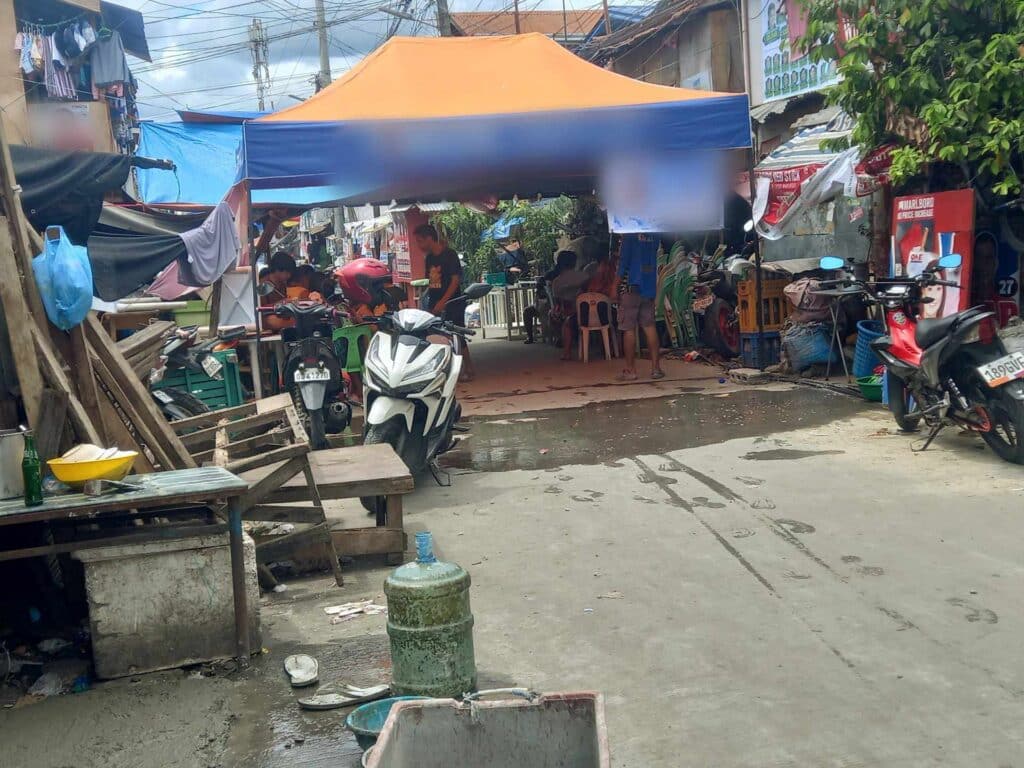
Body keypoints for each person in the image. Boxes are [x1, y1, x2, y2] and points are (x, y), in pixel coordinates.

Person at [413, 223, 475, 380]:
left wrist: (443, 301)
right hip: (434, 303)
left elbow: (455, 281)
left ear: (429, 238)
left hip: (453, 302)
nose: (418, 245)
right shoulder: (429, 258)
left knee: (457, 335)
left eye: (420, 241)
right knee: (436, 335)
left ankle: (467, 368)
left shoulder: (450, 255)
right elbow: (431, 282)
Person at [616, 234, 664, 380]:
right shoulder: (654, 235)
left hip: (632, 288)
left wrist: (614, 286)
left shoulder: (629, 236)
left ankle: (630, 370)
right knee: (650, 327)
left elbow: (623, 264)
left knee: (629, 329)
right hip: (648, 288)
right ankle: (656, 369)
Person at [549, 250, 593, 361]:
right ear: (574, 262)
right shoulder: (584, 276)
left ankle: (565, 348)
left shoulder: (557, 281)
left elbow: (557, 301)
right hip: (589, 310)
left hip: (568, 311)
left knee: (557, 317)